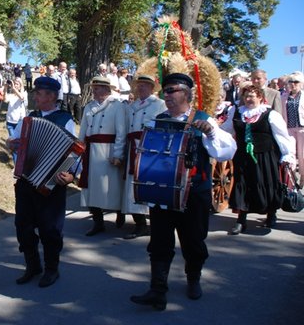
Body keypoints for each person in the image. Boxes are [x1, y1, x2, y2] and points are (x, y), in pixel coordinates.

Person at [130, 73, 236, 310]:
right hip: (162, 192)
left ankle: (193, 278)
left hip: (194, 191)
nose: (167, 95)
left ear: (187, 93)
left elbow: (227, 152)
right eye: (165, 91)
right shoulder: (158, 120)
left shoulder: (203, 119)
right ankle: (157, 290)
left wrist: (210, 132)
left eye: (173, 90)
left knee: (193, 241)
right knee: (159, 241)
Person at [6, 76, 76, 288]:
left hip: (51, 182)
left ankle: (51, 269)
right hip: (27, 179)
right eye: (36, 92)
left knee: (50, 228)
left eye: (39, 93)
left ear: (52, 96)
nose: (35, 95)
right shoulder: (29, 118)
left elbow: (73, 152)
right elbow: (12, 142)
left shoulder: (65, 119)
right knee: (23, 226)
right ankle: (32, 265)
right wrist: (11, 144)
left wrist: (69, 175)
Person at [220, 84, 295, 234]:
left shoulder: (270, 114)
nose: (248, 99)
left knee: (267, 183)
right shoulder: (237, 112)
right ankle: (241, 220)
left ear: (260, 97)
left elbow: (281, 135)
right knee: (242, 184)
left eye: (252, 96)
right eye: (246, 96)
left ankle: (271, 214)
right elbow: (225, 130)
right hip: (243, 157)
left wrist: (288, 154)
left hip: (266, 155)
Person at [77, 76, 127, 236]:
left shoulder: (117, 106)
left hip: (109, 151)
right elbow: (83, 130)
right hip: (91, 151)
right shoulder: (89, 106)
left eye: (97, 87)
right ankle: (98, 222)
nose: (94, 90)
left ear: (106, 89)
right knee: (91, 188)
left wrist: (118, 154)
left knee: (114, 187)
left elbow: (121, 132)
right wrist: (79, 149)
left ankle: (121, 213)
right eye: (93, 87)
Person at [122, 75, 166, 239]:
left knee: (149, 185)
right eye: (139, 86)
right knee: (131, 186)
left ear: (152, 88)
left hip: (149, 148)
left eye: (144, 86)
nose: (140, 88)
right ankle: (139, 223)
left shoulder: (160, 105)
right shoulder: (132, 106)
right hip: (133, 146)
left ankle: (155, 222)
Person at [281, 72, 304, 179]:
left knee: (302, 154)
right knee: (290, 152)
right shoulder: (283, 97)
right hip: (289, 128)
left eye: (296, 82)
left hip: (302, 128)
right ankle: (292, 178)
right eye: (291, 82)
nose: (293, 84)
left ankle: (303, 177)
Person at [5, 77, 28, 163]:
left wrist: (13, 88)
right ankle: (16, 165)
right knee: (14, 143)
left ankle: (19, 162)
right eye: (14, 83)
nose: (15, 84)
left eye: (17, 83)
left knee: (19, 143)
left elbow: (21, 98)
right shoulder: (11, 95)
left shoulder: (24, 93)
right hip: (10, 121)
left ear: (21, 85)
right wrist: (5, 88)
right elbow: (4, 99)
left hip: (20, 121)